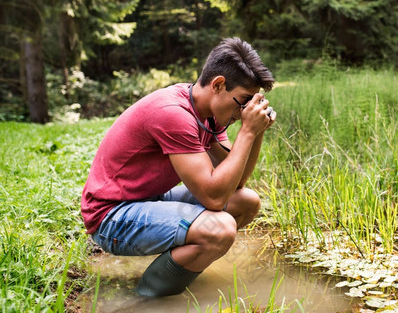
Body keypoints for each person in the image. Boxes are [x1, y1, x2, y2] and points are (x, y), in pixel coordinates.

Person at [81, 37, 276, 297]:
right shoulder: (174, 113)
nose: (243, 112)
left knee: (247, 201)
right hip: (111, 215)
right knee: (220, 230)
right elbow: (214, 198)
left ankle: (174, 263)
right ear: (218, 84)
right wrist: (247, 133)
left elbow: (235, 183)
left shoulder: (208, 112)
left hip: (148, 200)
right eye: (243, 101)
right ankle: (144, 299)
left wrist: (257, 132)